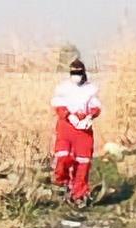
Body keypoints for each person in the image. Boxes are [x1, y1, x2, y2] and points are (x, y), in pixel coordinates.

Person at [51, 58, 101, 204]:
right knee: (63, 156)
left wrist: (89, 117)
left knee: (83, 162)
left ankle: (79, 194)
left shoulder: (90, 89)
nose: (76, 76)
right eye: (73, 73)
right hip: (66, 126)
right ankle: (62, 183)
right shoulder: (63, 88)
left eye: (78, 73)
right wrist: (68, 115)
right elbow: (58, 105)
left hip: (83, 130)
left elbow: (96, 107)